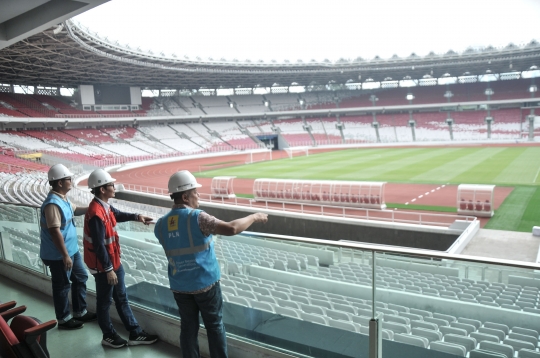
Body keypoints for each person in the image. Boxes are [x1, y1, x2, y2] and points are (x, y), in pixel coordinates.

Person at [154, 170, 268, 358]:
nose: (198, 196)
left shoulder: (160, 224)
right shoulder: (198, 217)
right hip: (205, 285)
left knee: (188, 328)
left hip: (179, 287)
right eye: (195, 192)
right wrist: (255, 217)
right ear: (185, 196)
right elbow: (232, 228)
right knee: (214, 326)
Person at [83, 169, 158, 349]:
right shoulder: (96, 213)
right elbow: (100, 246)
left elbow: (116, 214)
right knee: (104, 302)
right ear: (102, 189)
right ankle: (108, 336)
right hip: (104, 267)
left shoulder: (104, 206)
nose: (114, 187)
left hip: (113, 262)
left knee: (121, 298)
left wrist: (137, 217)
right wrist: (108, 270)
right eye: (111, 185)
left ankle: (135, 333)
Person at [40, 164, 97, 330]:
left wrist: (93, 208)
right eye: (68, 179)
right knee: (62, 286)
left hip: (72, 250)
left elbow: (75, 211)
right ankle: (64, 319)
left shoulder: (63, 199)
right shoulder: (52, 204)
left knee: (80, 278)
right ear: (59, 183)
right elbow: (54, 231)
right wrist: (65, 255)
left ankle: (80, 312)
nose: (71, 181)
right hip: (59, 255)